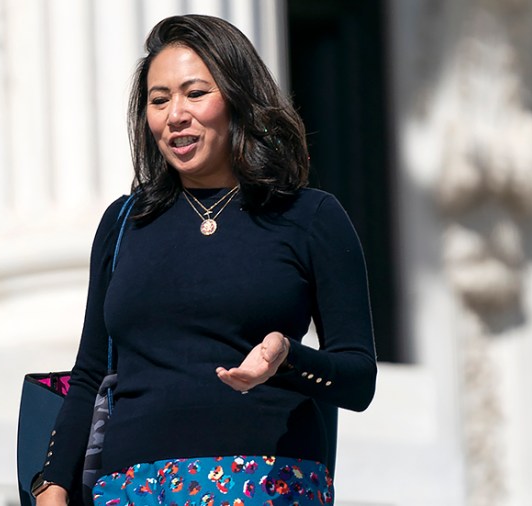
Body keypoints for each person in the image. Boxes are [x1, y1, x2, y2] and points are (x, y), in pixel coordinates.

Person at [34, 14, 376, 506]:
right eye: (159, 100)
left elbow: (358, 378)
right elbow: (89, 372)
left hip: (267, 485)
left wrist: (285, 358)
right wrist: (53, 484)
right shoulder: (123, 222)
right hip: (132, 490)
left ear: (238, 98)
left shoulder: (311, 217)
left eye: (195, 93)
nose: (175, 114)